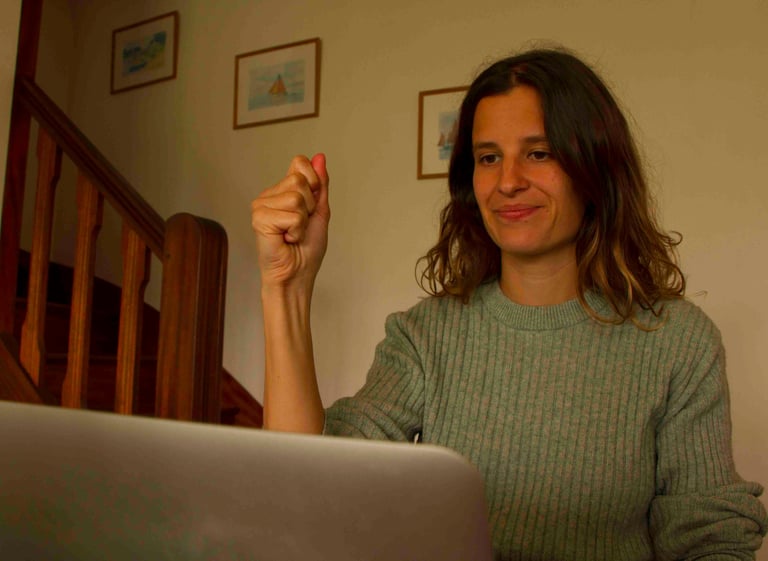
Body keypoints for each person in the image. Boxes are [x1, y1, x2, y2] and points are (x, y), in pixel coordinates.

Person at [250, 48, 767, 560]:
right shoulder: (426, 335)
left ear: (595, 169)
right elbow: (312, 488)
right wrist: (286, 287)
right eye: (488, 157)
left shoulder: (679, 342)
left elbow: (708, 542)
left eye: (539, 153)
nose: (508, 181)